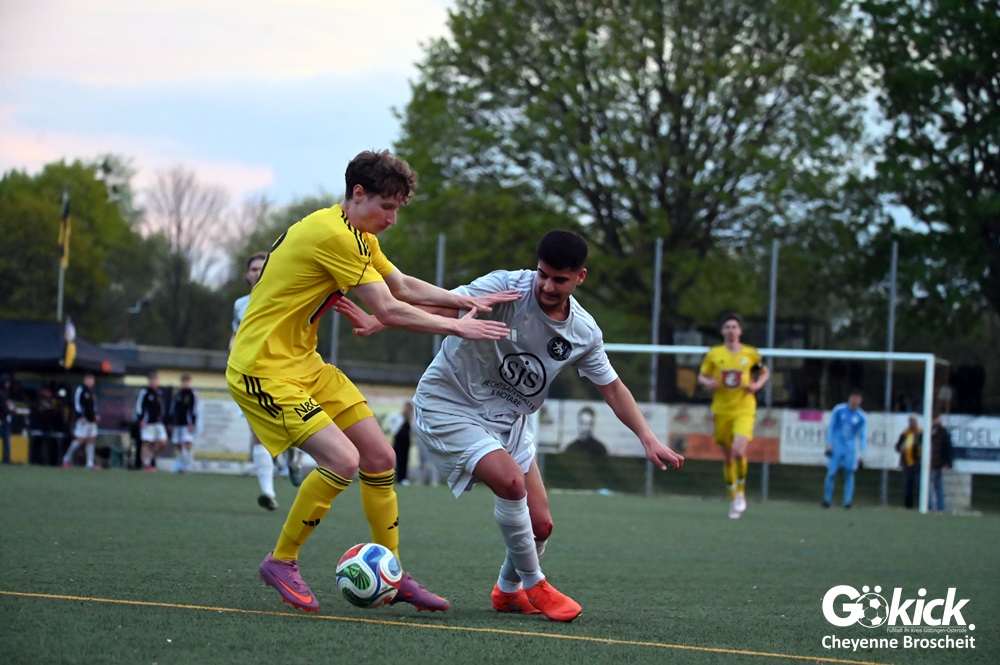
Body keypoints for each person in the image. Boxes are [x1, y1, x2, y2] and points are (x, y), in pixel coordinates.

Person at [335, 229, 684, 622]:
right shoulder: (506, 287)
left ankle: (508, 590)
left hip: (509, 421)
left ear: (580, 278)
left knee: (541, 526)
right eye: (542, 274)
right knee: (510, 482)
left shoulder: (583, 332)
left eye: (559, 279)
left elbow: (614, 389)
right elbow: (447, 305)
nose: (547, 286)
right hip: (450, 405)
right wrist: (381, 319)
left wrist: (647, 438)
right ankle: (536, 584)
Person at [227, 149, 516, 614]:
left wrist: (464, 301)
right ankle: (280, 560)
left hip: (304, 364)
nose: (393, 219)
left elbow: (401, 285)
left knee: (381, 457)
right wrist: (457, 325)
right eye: (387, 206)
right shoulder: (332, 235)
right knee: (343, 460)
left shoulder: (356, 234)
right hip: (262, 369)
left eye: (398, 208)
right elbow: (388, 309)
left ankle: (394, 575)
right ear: (358, 194)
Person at [697, 313, 770, 519]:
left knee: (739, 451)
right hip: (722, 409)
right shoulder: (715, 354)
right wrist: (708, 382)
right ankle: (733, 497)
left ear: (740, 331)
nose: (731, 330)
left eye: (734, 327)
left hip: (744, 408)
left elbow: (764, 372)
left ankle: (741, 494)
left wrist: (756, 385)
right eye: (727, 327)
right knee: (728, 455)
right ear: (722, 331)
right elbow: (702, 375)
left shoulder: (750, 354)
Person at [231, 252, 289, 510]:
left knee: (291, 426)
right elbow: (236, 335)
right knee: (258, 432)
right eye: (253, 269)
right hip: (252, 374)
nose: (257, 272)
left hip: (283, 371)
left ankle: (292, 459)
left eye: (262, 268)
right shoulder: (240, 305)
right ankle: (268, 492)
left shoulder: (284, 297)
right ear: (247, 275)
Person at [823, 389, 867, 509]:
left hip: (850, 448)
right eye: (853, 398)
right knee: (831, 473)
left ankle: (847, 502)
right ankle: (827, 500)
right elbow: (831, 427)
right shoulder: (839, 410)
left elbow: (863, 435)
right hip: (837, 446)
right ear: (850, 398)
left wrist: (862, 452)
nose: (855, 401)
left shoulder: (861, 416)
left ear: (860, 401)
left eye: (857, 399)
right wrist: (829, 443)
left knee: (849, 472)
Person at [62, 372, 100, 469]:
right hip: (83, 419)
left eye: (92, 380)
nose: (90, 381)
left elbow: (93, 405)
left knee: (91, 439)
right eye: (88, 379)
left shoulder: (91, 392)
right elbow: (77, 404)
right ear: (84, 380)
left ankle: (90, 463)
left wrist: (95, 415)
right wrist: (81, 416)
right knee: (80, 439)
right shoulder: (81, 389)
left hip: (91, 420)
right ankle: (66, 458)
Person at [136, 371, 168, 472]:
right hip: (148, 422)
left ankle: (150, 456)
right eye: (152, 380)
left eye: (155, 380)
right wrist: (141, 419)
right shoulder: (145, 392)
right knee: (147, 442)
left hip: (159, 422)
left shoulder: (160, 393)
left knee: (163, 442)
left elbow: (162, 407)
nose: (154, 382)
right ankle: (146, 464)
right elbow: (139, 406)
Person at [169, 374, 199, 473]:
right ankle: (181, 464)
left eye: (187, 382)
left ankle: (189, 464)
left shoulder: (192, 394)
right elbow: (173, 409)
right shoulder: (178, 394)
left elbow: (194, 409)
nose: (185, 384)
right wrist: (171, 422)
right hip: (178, 423)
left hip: (187, 423)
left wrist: (192, 423)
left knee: (188, 442)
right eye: (183, 382)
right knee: (178, 444)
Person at [894, 415, 922, 509]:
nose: (911, 424)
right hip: (907, 463)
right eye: (910, 422)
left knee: (919, 484)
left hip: (918, 462)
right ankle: (908, 505)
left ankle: (922, 504)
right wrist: (901, 449)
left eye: (913, 421)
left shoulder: (920, 433)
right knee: (907, 485)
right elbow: (897, 446)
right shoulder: (905, 433)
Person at [383, 401, 414, 485]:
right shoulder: (398, 416)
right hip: (398, 440)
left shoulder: (411, 418)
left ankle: (403, 478)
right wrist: (393, 429)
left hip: (406, 441)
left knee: (404, 460)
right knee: (395, 459)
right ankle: (391, 477)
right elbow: (389, 419)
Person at [929, 414, 953, 512]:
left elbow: (947, 448)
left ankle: (941, 506)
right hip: (929, 462)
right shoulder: (928, 431)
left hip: (937, 462)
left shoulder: (943, 432)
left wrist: (947, 462)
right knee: (928, 486)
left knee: (938, 485)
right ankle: (929, 506)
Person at [1, 373, 14, 464]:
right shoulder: (2, 393)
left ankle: (6, 458)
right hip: (2, 419)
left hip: (5, 419)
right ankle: (6, 459)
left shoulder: (6, 392)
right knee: (6, 439)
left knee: (6, 440)